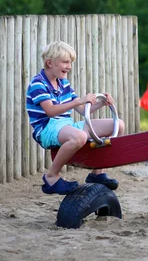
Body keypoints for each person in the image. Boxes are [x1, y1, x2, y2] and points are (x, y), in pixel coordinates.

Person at [26, 41, 125, 195]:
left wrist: (101, 103)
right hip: (47, 128)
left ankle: (96, 174)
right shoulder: (38, 84)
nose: (69, 66)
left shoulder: (63, 83)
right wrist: (78, 101)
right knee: (79, 135)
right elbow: (51, 111)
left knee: (117, 125)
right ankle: (51, 176)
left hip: (67, 125)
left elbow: (81, 109)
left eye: (70, 62)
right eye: (65, 62)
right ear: (49, 63)